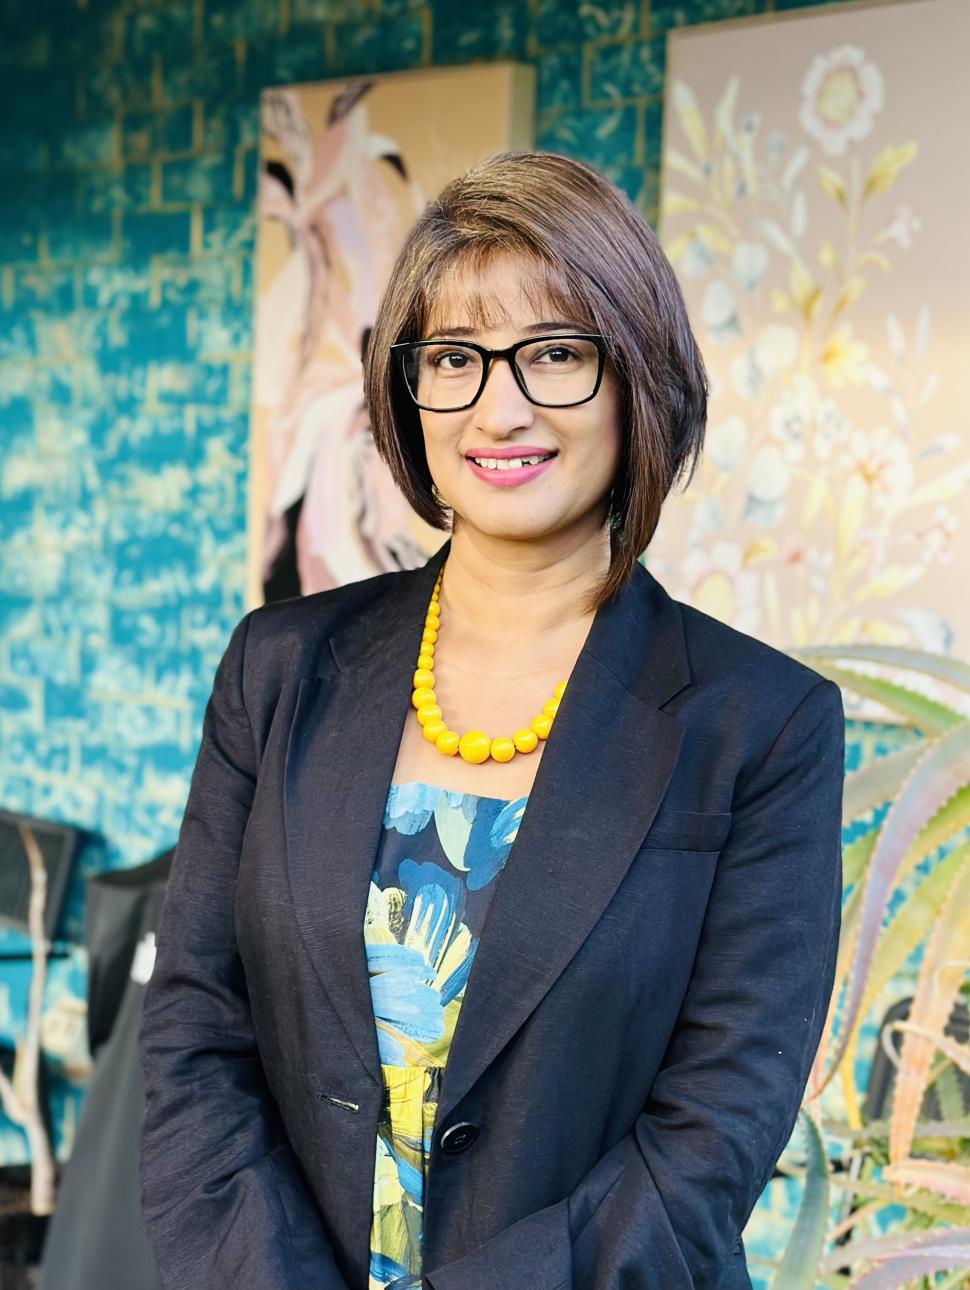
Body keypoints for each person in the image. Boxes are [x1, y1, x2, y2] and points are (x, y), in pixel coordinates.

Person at [139, 150, 845, 1290]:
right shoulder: (277, 668)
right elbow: (193, 1036)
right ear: (404, 390)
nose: (498, 407)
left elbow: (714, 1128)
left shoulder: (759, 725)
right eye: (454, 359)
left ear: (639, 381)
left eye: (556, 354)